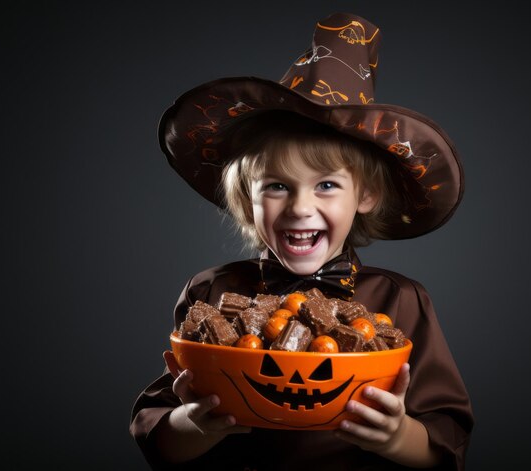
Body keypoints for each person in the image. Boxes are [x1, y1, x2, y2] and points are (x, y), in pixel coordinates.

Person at [130, 12, 473, 470]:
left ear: (365, 195)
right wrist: (197, 423)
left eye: (326, 185)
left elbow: (444, 444)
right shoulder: (208, 292)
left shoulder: (402, 300)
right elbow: (159, 440)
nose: (299, 208)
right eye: (275, 186)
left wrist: (396, 437)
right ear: (245, 198)